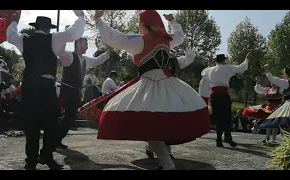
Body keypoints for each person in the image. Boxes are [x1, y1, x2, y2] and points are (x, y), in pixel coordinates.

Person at [79, 10, 209, 170]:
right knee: (161, 121)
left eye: (140, 23)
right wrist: (173, 20)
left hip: (150, 83)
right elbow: (179, 35)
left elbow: (113, 37)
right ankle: (163, 162)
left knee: (150, 125)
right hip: (169, 83)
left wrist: (98, 19)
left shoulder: (141, 41)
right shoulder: (167, 40)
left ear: (144, 24)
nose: (139, 26)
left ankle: (168, 166)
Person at [6, 10, 85, 170]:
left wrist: (14, 21)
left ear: (36, 27)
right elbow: (74, 33)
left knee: (31, 124)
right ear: (49, 28)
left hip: (29, 85)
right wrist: (81, 16)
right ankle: (46, 155)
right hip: (46, 86)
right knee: (51, 124)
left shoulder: (24, 39)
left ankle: (31, 161)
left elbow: (10, 35)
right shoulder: (54, 38)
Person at [57, 36, 112, 149]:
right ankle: (55, 138)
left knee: (70, 117)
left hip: (76, 91)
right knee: (69, 116)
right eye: (85, 44)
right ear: (78, 44)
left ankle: (56, 138)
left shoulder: (85, 60)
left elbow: (98, 60)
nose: (87, 47)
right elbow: (59, 52)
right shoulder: (69, 56)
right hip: (68, 91)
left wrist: (109, 51)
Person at [201, 51, 252, 148]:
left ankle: (219, 139)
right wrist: (247, 59)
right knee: (227, 116)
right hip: (223, 94)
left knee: (218, 117)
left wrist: (209, 66)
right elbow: (241, 68)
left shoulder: (209, 70)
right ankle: (227, 137)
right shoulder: (227, 68)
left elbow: (202, 73)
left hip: (214, 95)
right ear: (224, 60)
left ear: (216, 61)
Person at [243, 79, 283, 143]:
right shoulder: (268, 89)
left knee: (275, 123)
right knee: (269, 122)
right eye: (272, 82)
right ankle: (267, 137)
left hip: (277, 108)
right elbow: (259, 89)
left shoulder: (280, 90)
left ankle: (274, 138)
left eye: (275, 82)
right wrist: (257, 83)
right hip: (268, 108)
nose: (273, 83)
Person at [259, 65, 290, 138]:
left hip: (288, 105)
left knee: (285, 123)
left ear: (286, 74)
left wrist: (267, 71)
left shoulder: (287, 83)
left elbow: (273, 79)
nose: (283, 75)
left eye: (283, 73)